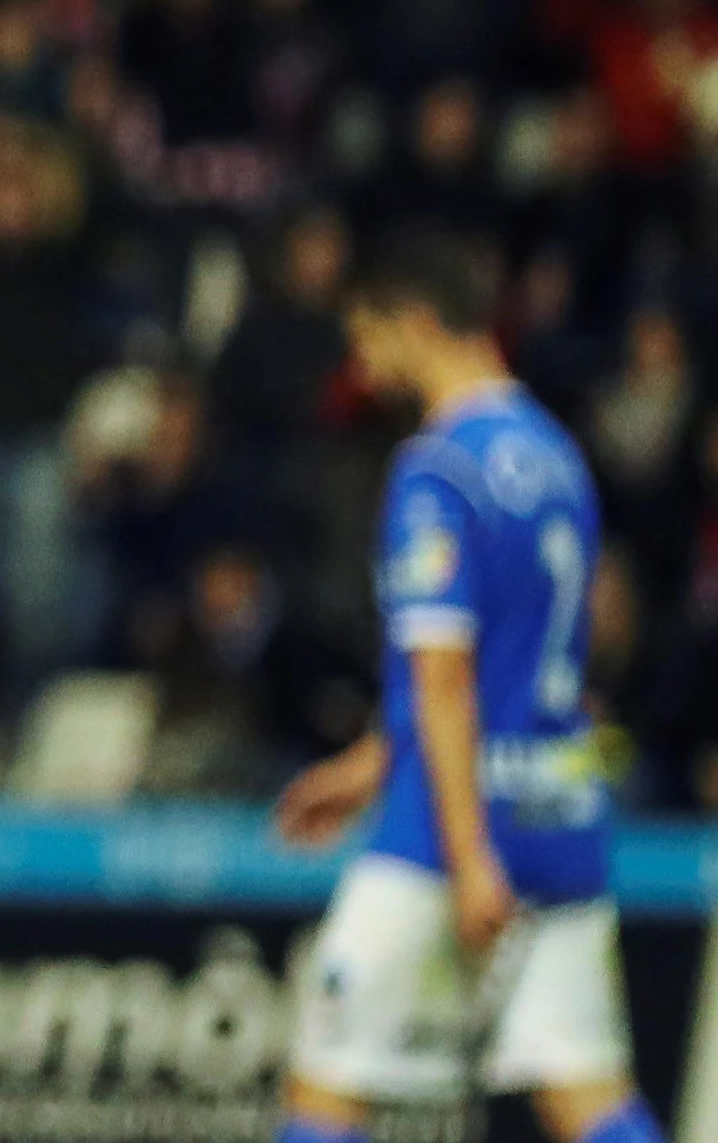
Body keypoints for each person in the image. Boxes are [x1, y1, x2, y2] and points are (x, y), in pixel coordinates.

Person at [268, 228, 665, 1143]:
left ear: (413, 321)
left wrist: (467, 850)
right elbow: (519, 652)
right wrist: (373, 757)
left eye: (369, 333)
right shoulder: (558, 455)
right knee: (586, 1090)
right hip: (559, 807)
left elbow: (445, 675)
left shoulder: (437, 471)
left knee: (325, 1084)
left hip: (449, 828)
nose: (362, 360)